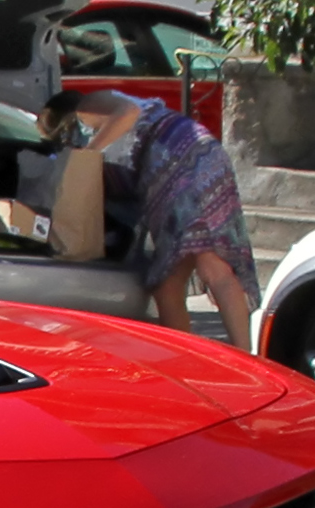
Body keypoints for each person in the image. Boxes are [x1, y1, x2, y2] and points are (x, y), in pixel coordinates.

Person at [40, 89, 255, 346]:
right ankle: (204, 357)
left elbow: (129, 114)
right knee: (170, 282)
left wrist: (87, 153)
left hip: (179, 159)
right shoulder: (100, 125)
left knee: (207, 266)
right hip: (199, 154)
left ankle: (237, 357)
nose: (61, 140)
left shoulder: (89, 104)